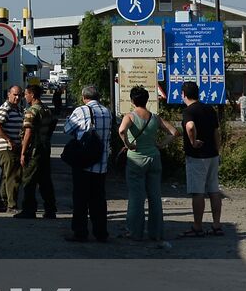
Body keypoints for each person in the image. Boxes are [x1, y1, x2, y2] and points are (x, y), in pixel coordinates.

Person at [117, 87, 177, 249]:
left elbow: (122, 130)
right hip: (154, 159)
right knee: (155, 196)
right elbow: (173, 131)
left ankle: (134, 232)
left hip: (136, 160)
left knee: (136, 197)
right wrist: (160, 145)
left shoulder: (130, 116)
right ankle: (156, 232)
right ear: (147, 100)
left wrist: (128, 144)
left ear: (132, 100)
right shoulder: (154, 118)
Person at [63, 84, 113, 242]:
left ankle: (80, 232)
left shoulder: (80, 110)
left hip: (83, 164)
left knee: (80, 199)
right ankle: (101, 233)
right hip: (101, 164)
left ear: (84, 97)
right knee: (99, 200)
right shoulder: (107, 112)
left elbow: (67, 129)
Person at [180, 80, 225, 237]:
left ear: (183, 94)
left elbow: (190, 126)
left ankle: (197, 226)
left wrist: (193, 142)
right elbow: (216, 133)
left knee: (197, 192)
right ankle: (217, 225)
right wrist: (217, 150)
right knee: (214, 190)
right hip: (212, 154)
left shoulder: (188, 111)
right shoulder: (209, 109)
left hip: (197, 156)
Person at [16, 84, 57, 219]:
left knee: (29, 180)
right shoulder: (46, 110)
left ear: (32, 95)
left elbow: (28, 132)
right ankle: (50, 209)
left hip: (34, 150)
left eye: (26, 94)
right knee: (45, 181)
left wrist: (22, 152)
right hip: (45, 148)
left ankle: (29, 210)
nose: (24, 96)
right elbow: (52, 125)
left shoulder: (32, 111)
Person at [0, 85, 24, 214]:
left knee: (6, 176)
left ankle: (3, 203)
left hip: (15, 146)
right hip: (7, 148)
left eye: (19, 95)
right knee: (13, 177)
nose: (17, 97)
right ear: (8, 95)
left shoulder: (17, 109)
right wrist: (8, 139)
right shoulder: (6, 108)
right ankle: (11, 205)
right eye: (15, 95)